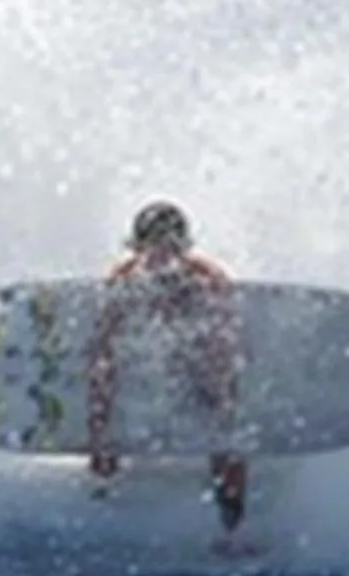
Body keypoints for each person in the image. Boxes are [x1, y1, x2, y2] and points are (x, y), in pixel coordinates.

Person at [86, 200, 248, 540]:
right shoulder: (123, 280)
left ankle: (232, 530)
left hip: (200, 363)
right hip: (146, 367)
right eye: (153, 246)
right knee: (105, 395)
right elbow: (103, 357)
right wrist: (100, 436)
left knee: (223, 424)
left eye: (170, 246)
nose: (161, 256)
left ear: (182, 248)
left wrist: (222, 407)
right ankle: (101, 502)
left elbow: (225, 355)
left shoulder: (207, 279)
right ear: (137, 248)